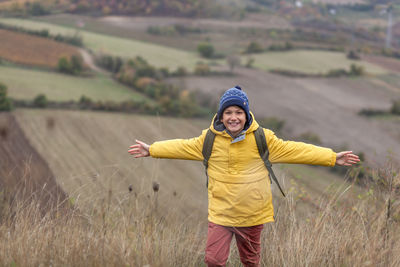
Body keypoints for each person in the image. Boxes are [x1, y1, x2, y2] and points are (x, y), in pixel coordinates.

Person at [128, 86, 360, 267]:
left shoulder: (263, 139)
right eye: (228, 112)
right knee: (214, 261)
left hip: (253, 215)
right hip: (221, 213)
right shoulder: (208, 140)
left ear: (246, 114)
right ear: (221, 115)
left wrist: (331, 157)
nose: (233, 117)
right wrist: (152, 149)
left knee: (250, 262)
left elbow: (296, 150)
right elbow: (181, 146)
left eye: (238, 112)